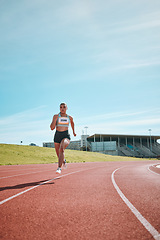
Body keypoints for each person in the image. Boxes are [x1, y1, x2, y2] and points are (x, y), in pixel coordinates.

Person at [50, 103, 76, 174]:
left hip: (65, 135)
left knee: (61, 148)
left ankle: (59, 168)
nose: (62, 108)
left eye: (64, 107)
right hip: (57, 135)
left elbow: (72, 124)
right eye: (61, 107)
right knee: (59, 155)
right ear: (59, 108)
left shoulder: (69, 118)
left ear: (66, 108)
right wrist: (55, 120)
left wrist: (74, 132)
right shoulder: (56, 116)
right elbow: (52, 128)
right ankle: (63, 161)